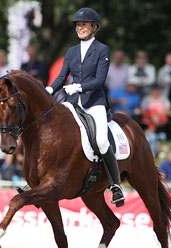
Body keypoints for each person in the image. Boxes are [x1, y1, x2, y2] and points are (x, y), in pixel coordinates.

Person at [45, 7, 124, 206]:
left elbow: (99, 80)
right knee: (56, 134)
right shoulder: (71, 51)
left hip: (94, 103)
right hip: (73, 103)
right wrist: (48, 90)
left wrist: (79, 86)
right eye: (78, 25)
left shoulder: (102, 50)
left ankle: (116, 185)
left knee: (101, 141)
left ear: (94, 27)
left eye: (84, 25)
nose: (80, 28)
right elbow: (62, 76)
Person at [141, 83, 171, 157]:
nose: (155, 92)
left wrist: (158, 114)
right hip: (149, 118)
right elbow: (142, 110)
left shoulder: (163, 99)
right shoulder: (147, 99)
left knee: (155, 117)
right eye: (154, 90)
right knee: (152, 116)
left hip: (160, 119)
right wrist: (152, 113)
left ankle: (149, 132)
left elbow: (168, 111)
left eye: (157, 90)